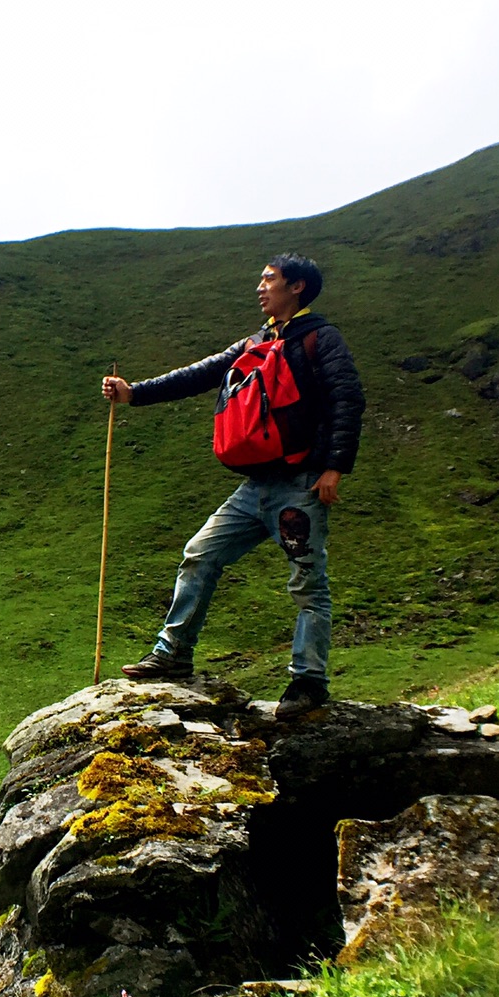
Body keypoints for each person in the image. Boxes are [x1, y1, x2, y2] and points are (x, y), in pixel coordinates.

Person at [101, 253, 365, 717]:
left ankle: (308, 684)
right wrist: (134, 392)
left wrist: (334, 468)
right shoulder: (256, 341)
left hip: (301, 484)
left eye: (270, 280)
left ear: (297, 287)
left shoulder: (322, 338)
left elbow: (348, 399)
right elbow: (201, 374)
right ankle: (173, 656)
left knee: (308, 583)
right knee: (200, 553)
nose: (261, 288)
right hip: (256, 485)